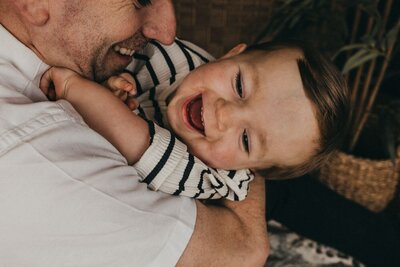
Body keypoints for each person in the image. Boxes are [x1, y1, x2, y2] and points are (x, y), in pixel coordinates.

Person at [0, 1, 268, 266]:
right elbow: (243, 251)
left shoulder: (86, 48)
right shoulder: (37, 162)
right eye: (141, 1)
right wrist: (252, 152)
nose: (166, 32)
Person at [39, 39, 349, 203]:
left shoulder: (216, 179)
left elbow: (135, 141)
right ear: (232, 54)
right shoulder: (179, 58)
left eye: (245, 140)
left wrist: (77, 89)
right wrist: (113, 86)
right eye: (240, 86)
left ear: (253, 170)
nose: (225, 114)